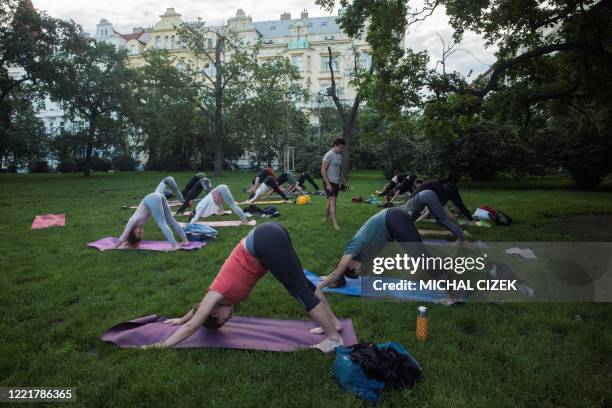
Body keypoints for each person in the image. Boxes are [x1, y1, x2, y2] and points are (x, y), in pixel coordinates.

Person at [147, 222, 344, 352]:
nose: (230, 318)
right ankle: (333, 323)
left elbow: (194, 324)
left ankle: (334, 339)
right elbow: (197, 311)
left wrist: (160, 345)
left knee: (300, 291)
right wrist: (181, 319)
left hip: (264, 241)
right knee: (305, 284)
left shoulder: (215, 296)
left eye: (224, 321)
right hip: (268, 234)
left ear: (215, 314)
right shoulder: (213, 298)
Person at [318, 207, 448, 289]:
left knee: (421, 258)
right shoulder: (361, 256)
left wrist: (319, 287)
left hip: (393, 219)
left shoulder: (352, 248)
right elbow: (337, 272)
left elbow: (337, 273)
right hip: (394, 219)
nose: (361, 270)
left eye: (358, 271)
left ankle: (453, 293)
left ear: (350, 266)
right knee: (422, 255)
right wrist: (327, 276)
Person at [112, 192, 189, 250]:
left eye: (138, 233)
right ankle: (185, 241)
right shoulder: (138, 225)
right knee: (171, 221)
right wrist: (128, 243)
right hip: (157, 196)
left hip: (151, 198)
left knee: (162, 223)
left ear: (132, 231)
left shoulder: (131, 222)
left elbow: (123, 235)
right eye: (140, 234)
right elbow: (129, 238)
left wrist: (114, 247)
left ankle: (174, 245)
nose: (141, 232)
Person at [401, 181, 473, 241]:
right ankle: (460, 232)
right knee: (443, 219)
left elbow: (421, 214)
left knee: (443, 219)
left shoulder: (407, 208)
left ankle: (461, 234)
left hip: (433, 194)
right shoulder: (410, 204)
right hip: (435, 193)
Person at [321, 138, 349, 230]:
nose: (342, 149)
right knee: (333, 202)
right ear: (335, 145)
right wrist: (328, 184)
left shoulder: (339, 156)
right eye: (341, 147)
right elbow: (323, 170)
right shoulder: (329, 155)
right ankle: (335, 224)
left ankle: (325, 217)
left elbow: (340, 172)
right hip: (329, 182)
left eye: (342, 148)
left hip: (336, 182)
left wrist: (345, 183)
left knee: (330, 201)